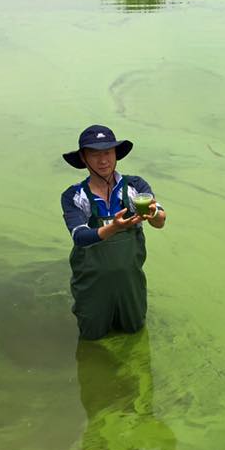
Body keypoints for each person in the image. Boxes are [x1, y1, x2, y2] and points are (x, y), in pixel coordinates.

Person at [60, 124, 166, 339]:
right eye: (95, 154)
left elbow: (160, 221)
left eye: (108, 152)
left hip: (131, 284)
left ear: (116, 154)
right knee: (91, 336)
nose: (103, 160)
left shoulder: (135, 187)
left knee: (135, 331)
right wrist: (114, 227)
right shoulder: (74, 196)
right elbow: (80, 237)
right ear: (83, 158)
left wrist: (153, 213)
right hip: (91, 285)